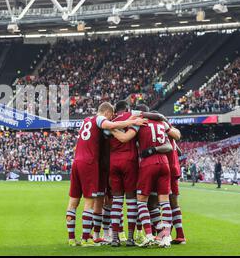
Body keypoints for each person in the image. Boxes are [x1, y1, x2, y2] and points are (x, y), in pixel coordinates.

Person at [65, 102, 147, 247]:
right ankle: (86, 239)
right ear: (108, 113)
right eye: (111, 115)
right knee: (90, 202)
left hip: (77, 161)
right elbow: (108, 125)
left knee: (73, 202)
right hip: (89, 163)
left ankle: (71, 238)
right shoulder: (99, 119)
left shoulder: (86, 120)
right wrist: (133, 121)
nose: (112, 118)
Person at [111, 104, 181, 248]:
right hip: (165, 163)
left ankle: (149, 235)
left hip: (148, 164)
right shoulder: (161, 123)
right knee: (164, 202)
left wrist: (112, 129)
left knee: (141, 201)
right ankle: (165, 237)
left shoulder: (140, 123)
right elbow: (173, 141)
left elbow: (126, 138)